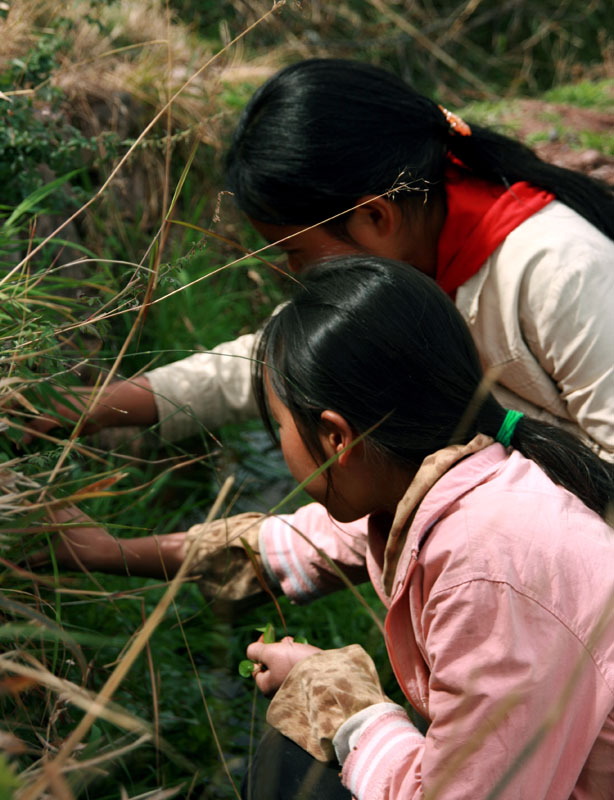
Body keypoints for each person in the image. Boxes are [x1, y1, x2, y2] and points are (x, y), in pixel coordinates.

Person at [26, 58, 614, 605]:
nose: (294, 277)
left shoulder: (560, 271)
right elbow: (284, 355)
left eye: (299, 254)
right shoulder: (416, 256)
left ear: (376, 216)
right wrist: (99, 407)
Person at [241, 255, 614, 800]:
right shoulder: (469, 484)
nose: (282, 445)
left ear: (336, 439)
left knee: (288, 773)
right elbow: (310, 542)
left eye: (280, 427)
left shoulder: (484, 571)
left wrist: (350, 709)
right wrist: (114, 551)